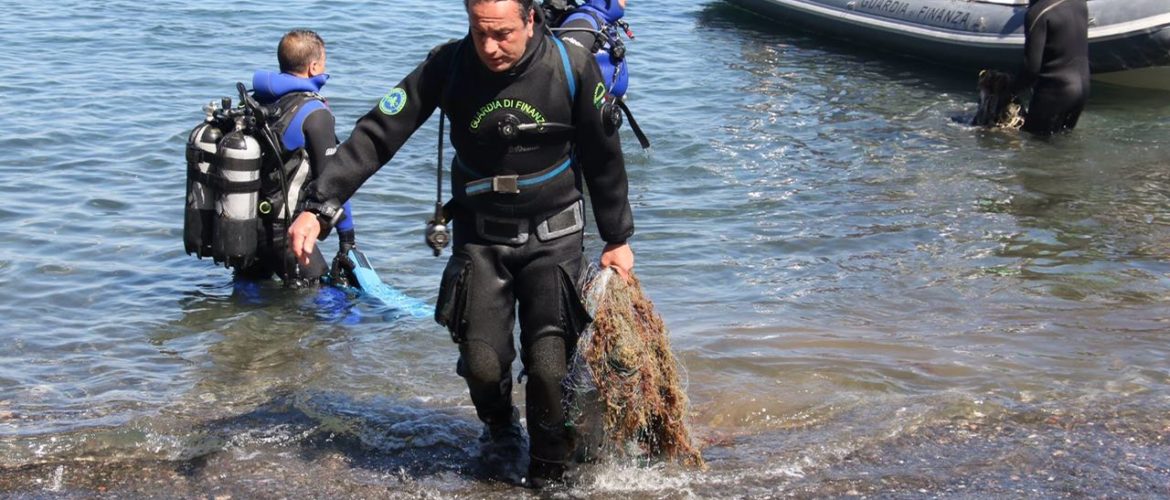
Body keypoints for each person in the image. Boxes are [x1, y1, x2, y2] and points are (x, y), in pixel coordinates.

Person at [287, 0, 634, 487]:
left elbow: (604, 157)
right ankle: (500, 431)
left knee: (550, 365)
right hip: (481, 238)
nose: (490, 47)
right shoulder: (448, 65)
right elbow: (378, 133)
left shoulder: (571, 66)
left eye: (503, 34)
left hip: (554, 236)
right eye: (479, 31)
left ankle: (550, 469)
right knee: (482, 362)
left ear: (531, 18)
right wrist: (319, 205)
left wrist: (617, 237)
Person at [236, 29, 357, 287]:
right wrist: (347, 237)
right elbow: (334, 179)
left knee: (249, 304)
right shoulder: (314, 113)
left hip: (243, 227)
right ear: (314, 67)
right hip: (287, 233)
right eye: (324, 62)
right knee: (328, 300)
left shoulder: (256, 102)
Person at [1011, 0, 1090, 136]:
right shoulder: (1080, 3)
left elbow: (1031, 69)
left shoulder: (1038, 12)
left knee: (1034, 148)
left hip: (1054, 91)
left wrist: (1008, 92)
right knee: (1061, 146)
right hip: (1083, 88)